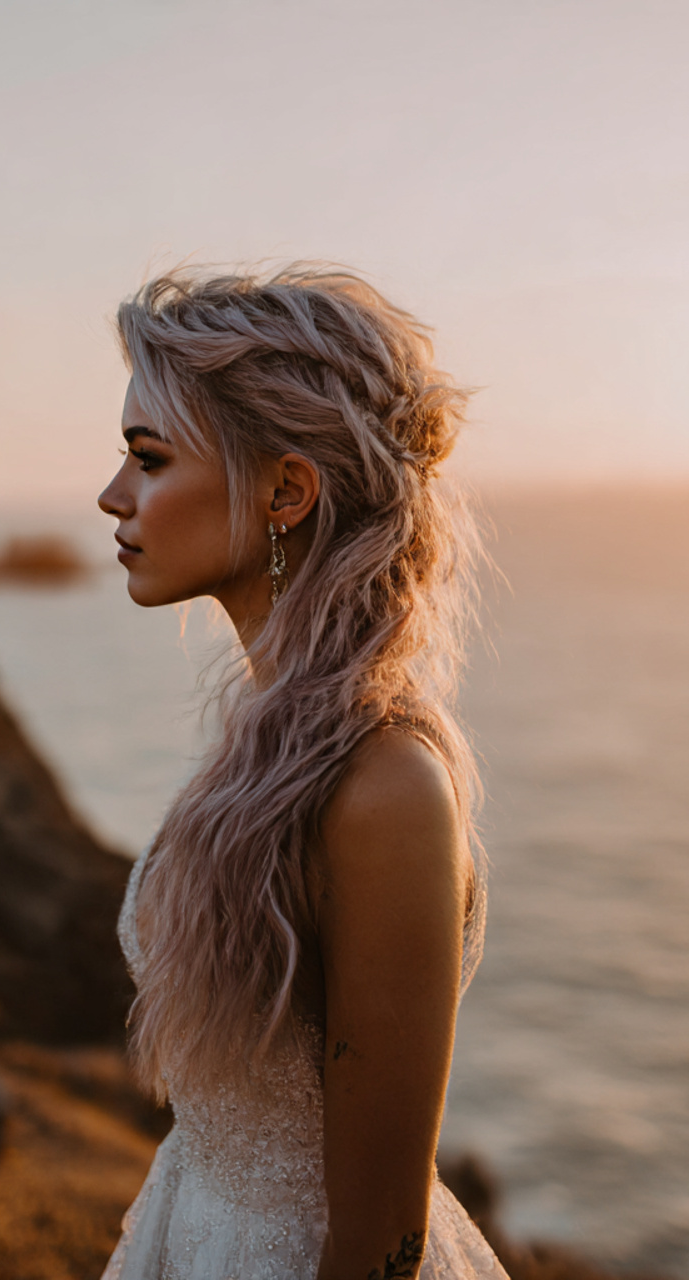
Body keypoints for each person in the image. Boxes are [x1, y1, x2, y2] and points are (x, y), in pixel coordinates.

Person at [97, 265, 507, 1280]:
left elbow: (380, 1239)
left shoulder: (384, 787)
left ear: (286, 491)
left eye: (148, 459)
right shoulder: (272, 746)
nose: (112, 495)